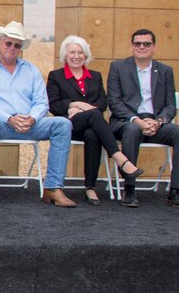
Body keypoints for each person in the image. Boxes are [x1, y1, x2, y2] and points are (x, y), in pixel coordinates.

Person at [0, 21, 75, 207]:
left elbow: (42, 102)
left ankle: (53, 188)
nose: (12, 48)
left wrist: (32, 118)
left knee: (63, 124)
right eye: (8, 43)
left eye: (17, 45)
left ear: (21, 48)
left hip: (30, 123)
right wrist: (9, 119)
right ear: (0, 43)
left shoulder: (31, 70)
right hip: (1, 123)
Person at [46, 35, 143, 205]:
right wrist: (74, 105)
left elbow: (102, 102)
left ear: (86, 55)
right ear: (65, 55)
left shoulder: (95, 76)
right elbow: (53, 105)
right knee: (95, 115)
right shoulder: (56, 76)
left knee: (92, 133)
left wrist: (83, 108)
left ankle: (90, 187)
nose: (76, 56)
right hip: (68, 125)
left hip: (92, 125)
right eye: (72, 52)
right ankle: (120, 158)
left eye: (80, 52)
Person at [108, 28, 179, 209]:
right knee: (132, 131)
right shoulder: (118, 67)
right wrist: (137, 121)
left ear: (154, 47)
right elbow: (114, 103)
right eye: (138, 43)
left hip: (156, 123)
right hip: (127, 122)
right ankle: (129, 188)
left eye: (147, 44)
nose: (142, 47)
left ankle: (176, 190)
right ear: (132, 46)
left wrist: (160, 121)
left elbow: (170, 105)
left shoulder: (165, 71)